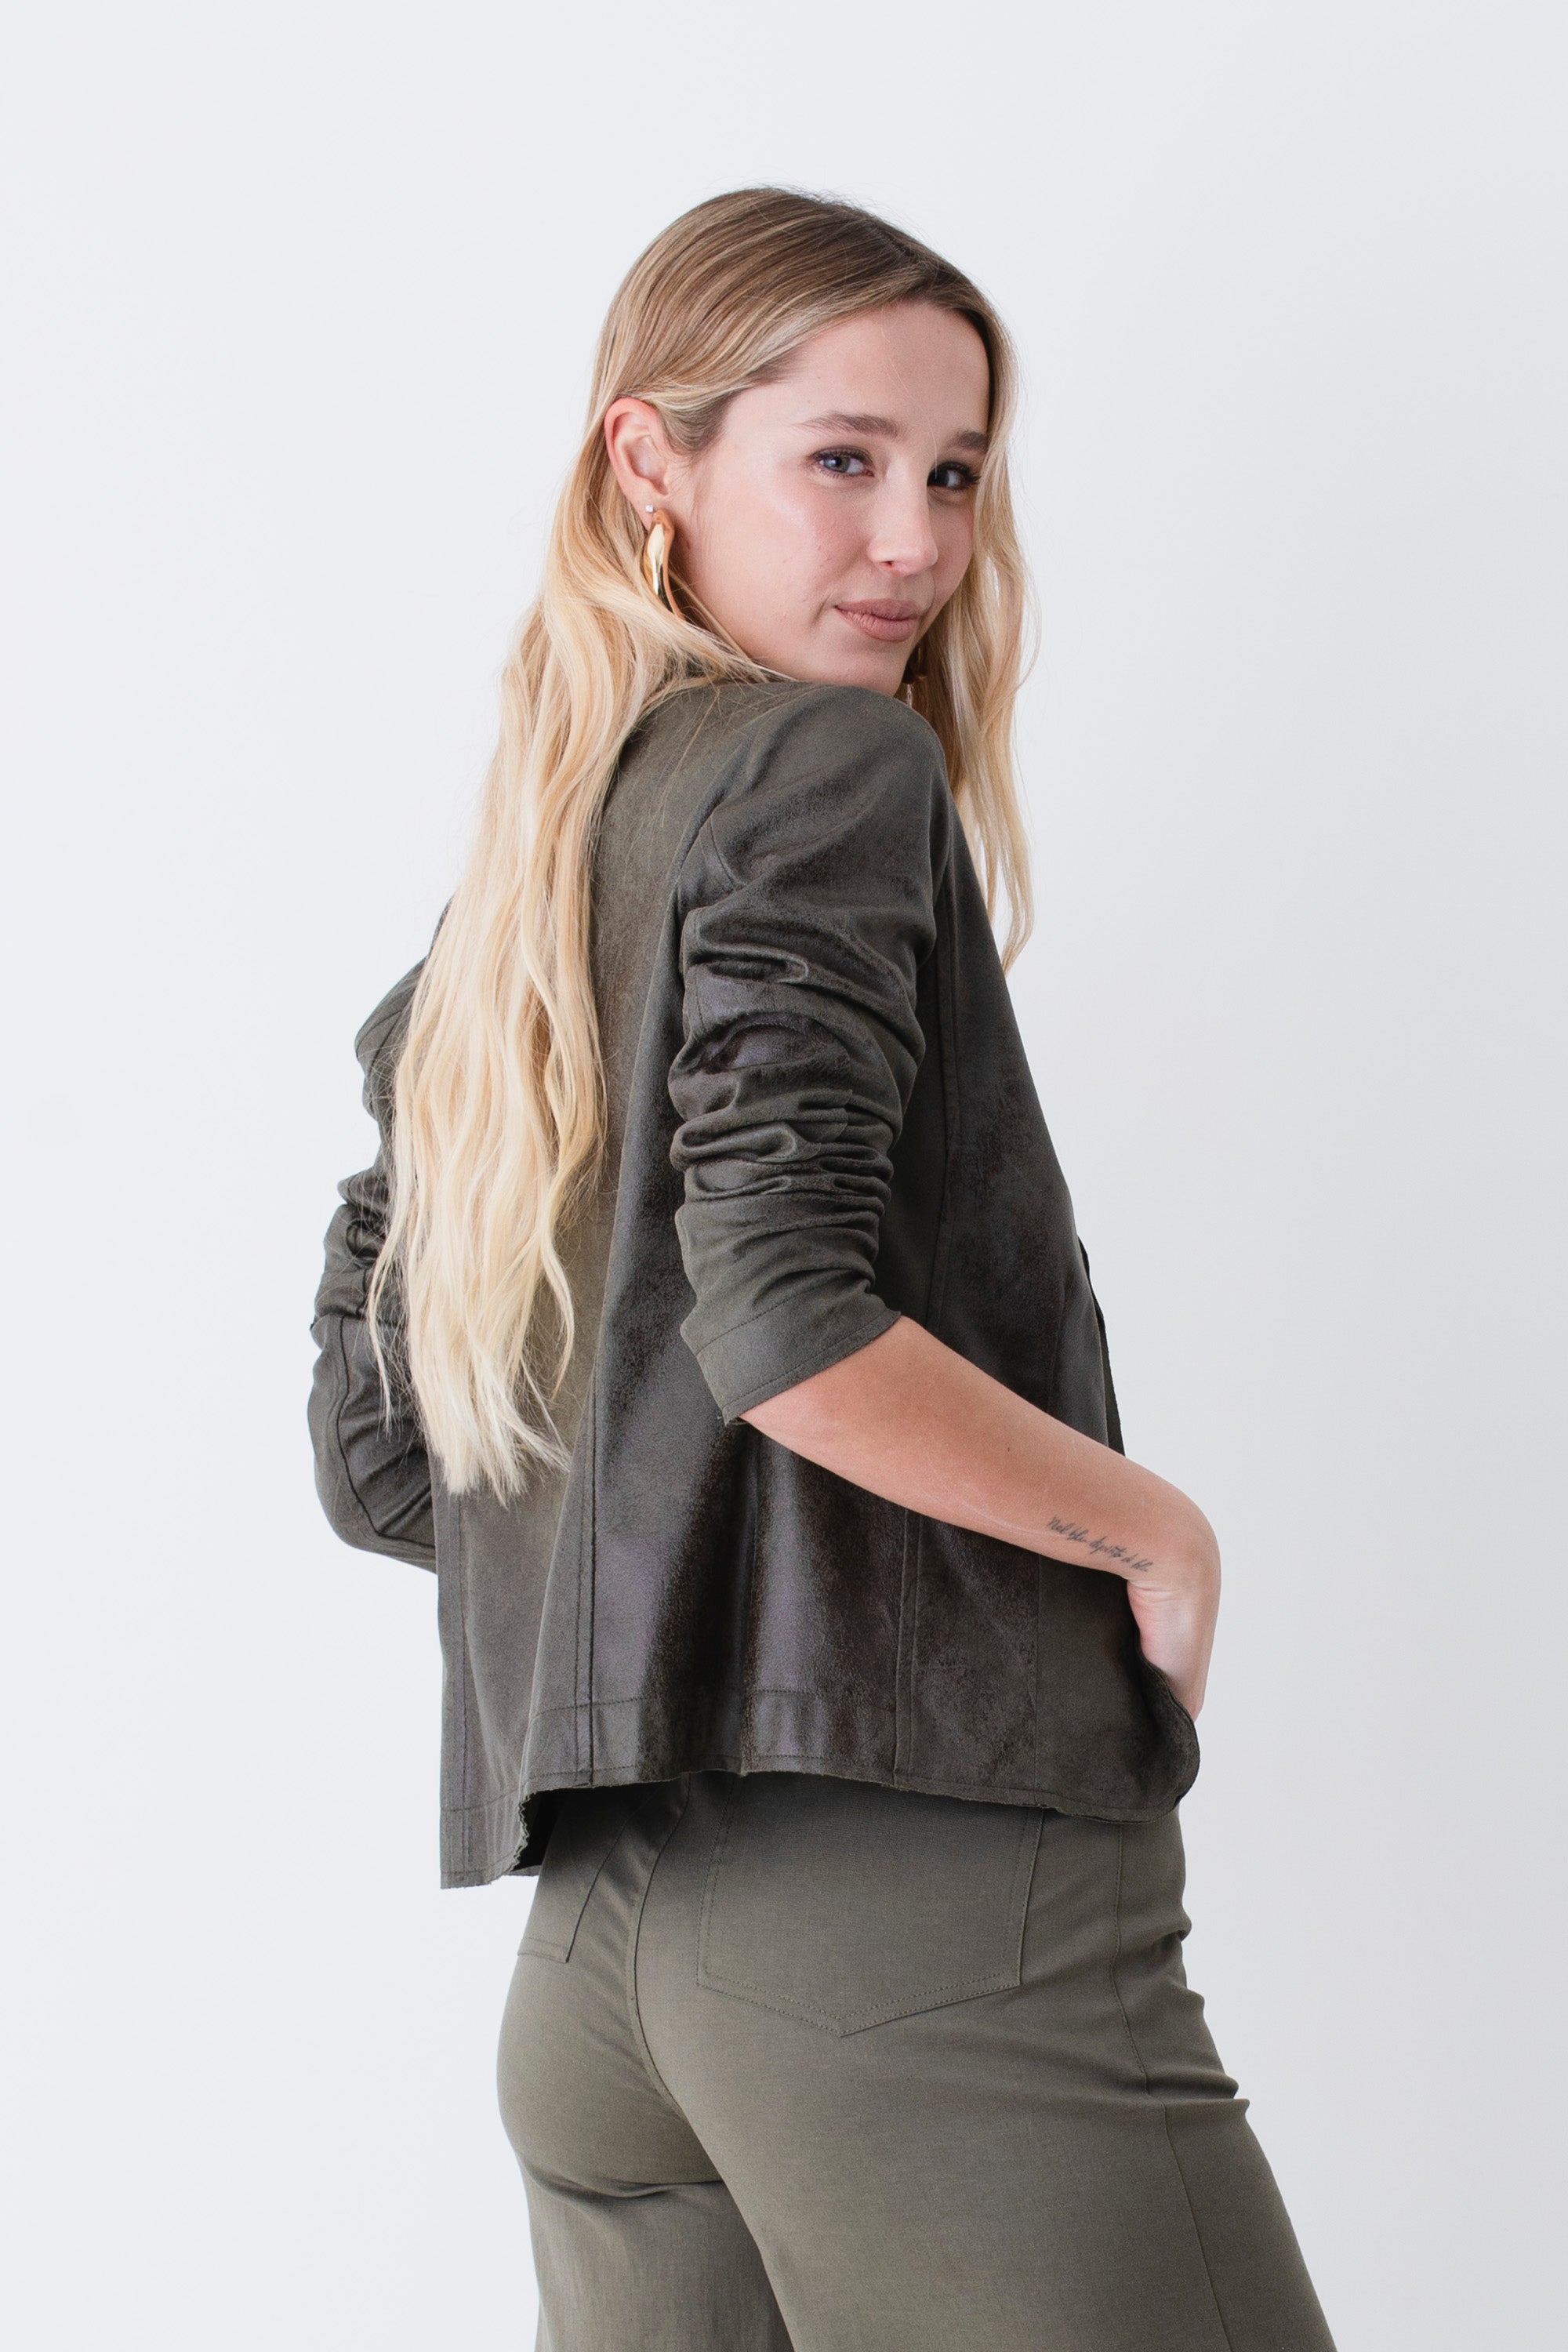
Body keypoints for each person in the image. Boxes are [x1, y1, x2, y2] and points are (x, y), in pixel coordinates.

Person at [309, 187, 1337, 2352]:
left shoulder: (524, 894)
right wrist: (1147, 1528)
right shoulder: (826, 766)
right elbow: (781, 1319)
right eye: (843, 459)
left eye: (954, 473)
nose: (914, 541)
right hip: (911, 1908)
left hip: (604, 1981)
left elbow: (387, 1457)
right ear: (651, 461)